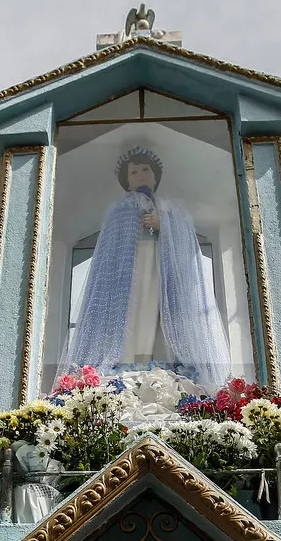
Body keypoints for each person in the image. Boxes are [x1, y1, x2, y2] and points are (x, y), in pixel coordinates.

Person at [62, 146, 230, 391]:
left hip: (162, 269)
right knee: (137, 310)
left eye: (145, 170)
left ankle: (161, 360)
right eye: (134, 172)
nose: (140, 175)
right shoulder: (119, 211)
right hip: (129, 273)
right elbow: (109, 249)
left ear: (155, 175)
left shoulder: (171, 210)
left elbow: (186, 241)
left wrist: (164, 224)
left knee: (158, 311)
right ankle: (131, 362)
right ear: (127, 181)